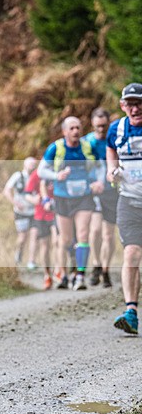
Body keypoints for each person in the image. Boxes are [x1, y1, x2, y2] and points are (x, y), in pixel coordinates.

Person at [37, 116, 103, 290]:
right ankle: (64, 276)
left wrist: (99, 182)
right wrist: (56, 176)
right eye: (72, 128)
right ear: (65, 131)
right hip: (62, 197)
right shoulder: (56, 148)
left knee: (82, 234)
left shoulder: (87, 147)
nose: (76, 131)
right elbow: (41, 170)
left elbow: (100, 165)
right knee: (64, 240)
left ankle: (80, 275)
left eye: (78, 128)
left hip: (84, 197)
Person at [107, 83, 142, 335]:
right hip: (129, 201)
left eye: (139, 102)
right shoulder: (116, 129)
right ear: (122, 106)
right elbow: (110, 151)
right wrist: (112, 171)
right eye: (130, 103)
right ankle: (131, 312)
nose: (135, 108)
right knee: (131, 253)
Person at [84, 107, 118, 288]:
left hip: (112, 192)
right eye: (98, 126)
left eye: (104, 126)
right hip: (94, 192)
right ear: (92, 124)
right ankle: (96, 263)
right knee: (95, 230)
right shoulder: (86, 142)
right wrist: (90, 183)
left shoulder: (114, 139)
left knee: (108, 234)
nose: (101, 129)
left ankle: (105, 269)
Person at [24, 166, 57, 289]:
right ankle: (47, 274)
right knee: (45, 246)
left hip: (57, 213)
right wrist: (33, 200)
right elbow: (27, 193)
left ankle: (58, 270)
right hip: (41, 215)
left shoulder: (60, 170)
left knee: (57, 242)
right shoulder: (37, 174)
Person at [3, 157, 37, 267]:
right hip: (21, 211)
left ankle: (31, 261)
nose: (32, 167)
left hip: (34, 211)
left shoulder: (37, 177)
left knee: (34, 235)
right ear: (25, 165)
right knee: (22, 237)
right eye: (30, 165)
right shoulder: (18, 176)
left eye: (34, 165)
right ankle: (18, 254)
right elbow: (7, 190)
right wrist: (15, 203)